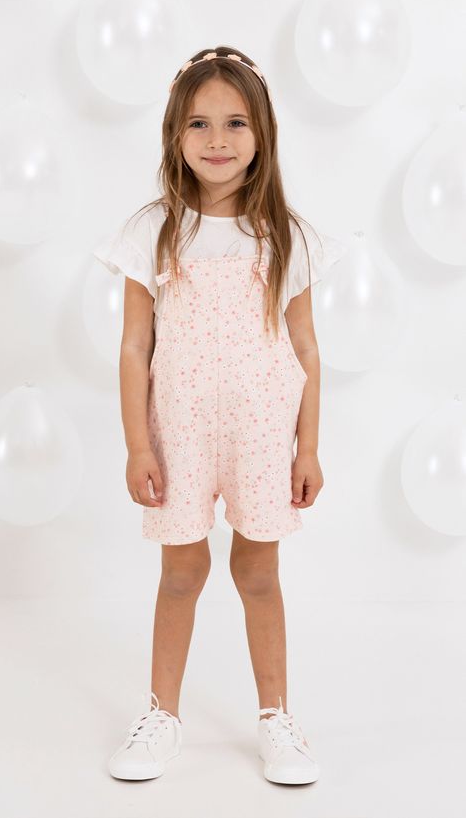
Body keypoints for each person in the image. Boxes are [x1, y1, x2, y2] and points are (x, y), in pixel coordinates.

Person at [93, 46, 347, 786]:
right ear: (175, 132)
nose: (217, 140)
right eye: (199, 123)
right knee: (181, 571)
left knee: (258, 571)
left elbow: (306, 346)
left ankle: (276, 717)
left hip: (262, 433)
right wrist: (137, 445)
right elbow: (134, 346)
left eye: (236, 122)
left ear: (262, 132)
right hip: (179, 433)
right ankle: (160, 715)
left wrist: (308, 447)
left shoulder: (284, 234)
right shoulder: (155, 230)